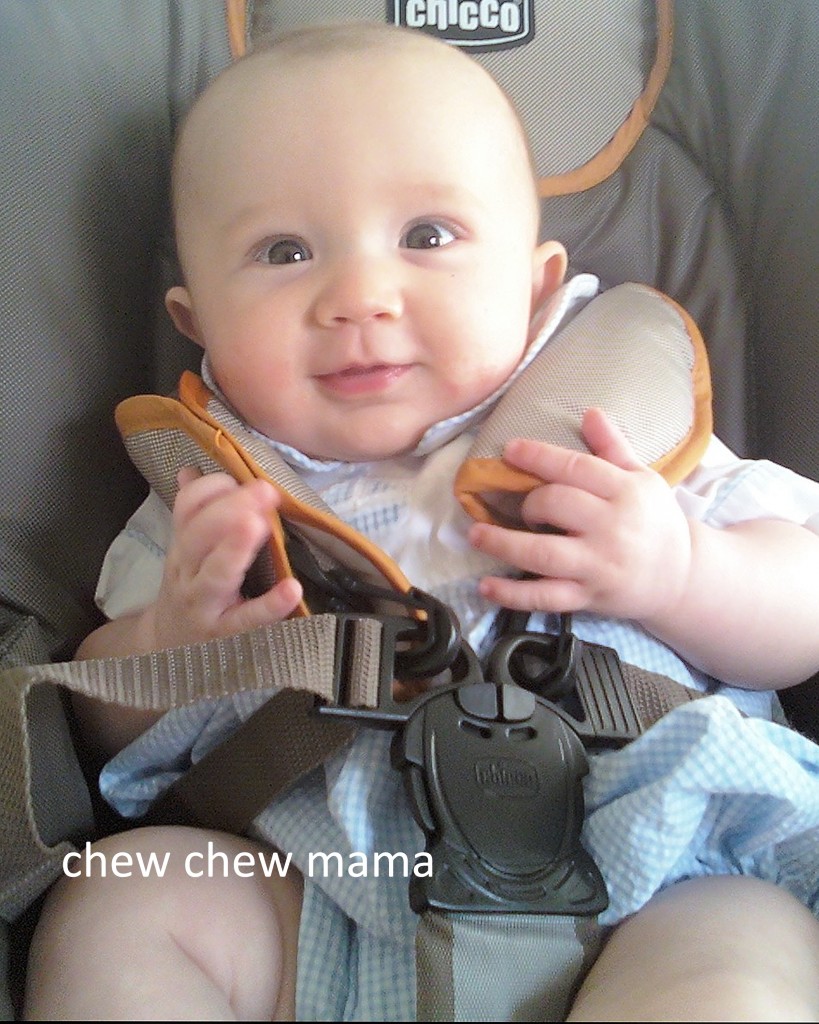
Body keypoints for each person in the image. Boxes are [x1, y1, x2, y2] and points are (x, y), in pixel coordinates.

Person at [24, 22, 819, 1022]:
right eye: (283, 251)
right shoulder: (214, 504)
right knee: (128, 897)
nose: (359, 295)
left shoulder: (615, 431)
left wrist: (686, 571)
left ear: (534, 287)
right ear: (199, 323)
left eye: (428, 236)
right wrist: (168, 640)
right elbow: (91, 718)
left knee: (744, 949)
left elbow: (806, 608)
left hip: (658, 874)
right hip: (318, 893)